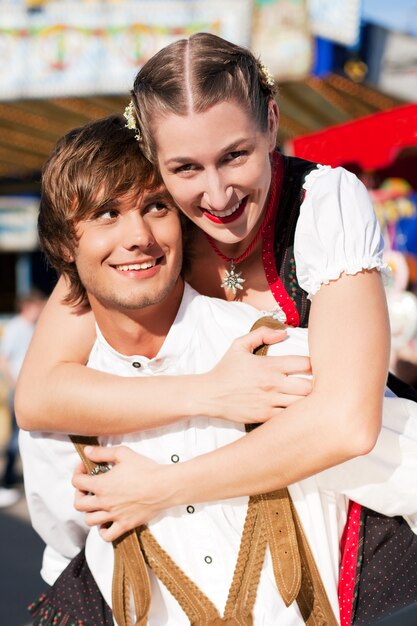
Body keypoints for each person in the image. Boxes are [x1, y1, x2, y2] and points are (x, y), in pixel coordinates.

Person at [21, 115, 417, 626]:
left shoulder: (273, 358)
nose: (137, 235)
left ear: (184, 224)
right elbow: (71, 561)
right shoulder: (59, 424)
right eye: (106, 214)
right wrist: (208, 393)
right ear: (64, 247)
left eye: (155, 206)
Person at [0, 290, 45, 508]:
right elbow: (3, 358)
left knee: (30, 435)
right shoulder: (16, 327)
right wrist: (16, 384)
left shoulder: (33, 327)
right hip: (20, 389)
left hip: (32, 388)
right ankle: (8, 478)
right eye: (37, 307)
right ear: (27, 307)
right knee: (17, 436)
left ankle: (27, 478)